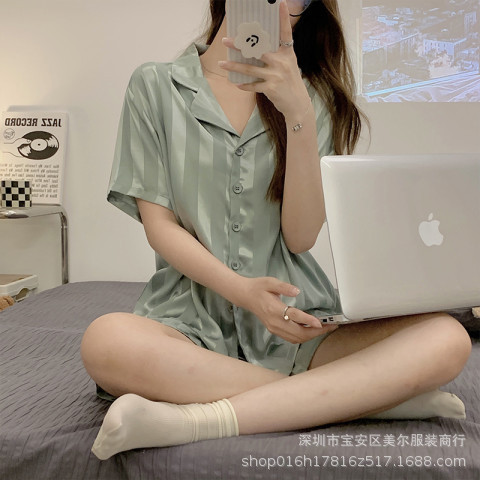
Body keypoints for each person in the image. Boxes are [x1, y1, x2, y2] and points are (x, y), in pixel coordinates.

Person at [81, 0, 471, 460]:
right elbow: (160, 227)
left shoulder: (314, 99)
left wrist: (298, 113)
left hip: (296, 323)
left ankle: (196, 418)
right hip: (187, 322)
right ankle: (363, 400)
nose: (282, 5)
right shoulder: (155, 85)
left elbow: (300, 237)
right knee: (106, 342)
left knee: (447, 338)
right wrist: (244, 293)